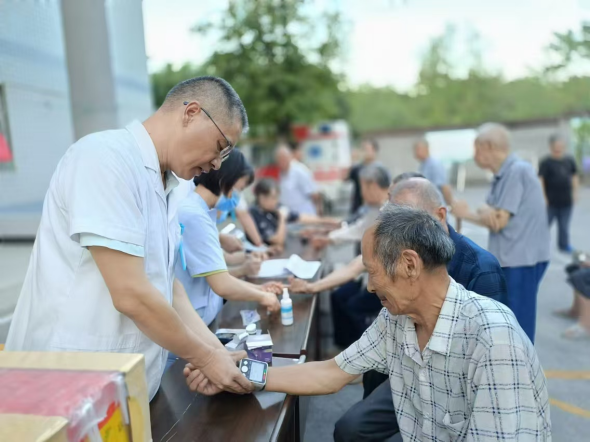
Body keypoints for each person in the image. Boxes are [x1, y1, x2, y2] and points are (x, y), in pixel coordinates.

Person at [186, 206, 552, 442]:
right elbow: (330, 373)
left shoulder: (492, 338)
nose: (371, 286)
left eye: (372, 272)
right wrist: (244, 371)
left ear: (409, 265)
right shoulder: (397, 319)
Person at [5, 76, 255, 400]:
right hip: (67, 383)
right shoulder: (105, 158)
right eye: (221, 147)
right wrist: (205, 358)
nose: (216, 164)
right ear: (191, 112)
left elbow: (169, 288)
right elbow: (131, 294)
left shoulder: (167, 185)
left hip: (121, 386)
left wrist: (216, 352)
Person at [170, 150, 281, 369]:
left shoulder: (202, 212)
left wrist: (259, 290)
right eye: (238, 189)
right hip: (191, 324)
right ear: (224, 179)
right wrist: (262, 297)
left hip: (202, 318)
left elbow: (218, 271)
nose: (237, 198)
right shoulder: (194, 215)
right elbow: (222, 284)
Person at [452, 123, 550, 344]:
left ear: (488, 146)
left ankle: (521, 376)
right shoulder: (504, 174)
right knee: (509, 321)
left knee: (518, 327)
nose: (474, 155)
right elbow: (489, 210)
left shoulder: (516, 171)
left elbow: (497, 220)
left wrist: (464, 213)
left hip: (521, 259)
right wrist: (485, 212)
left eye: (476, 148)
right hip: (514, 257)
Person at [310, 164, 391, 250]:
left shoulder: (389, 208)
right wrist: (330, 237)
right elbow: (359, 228)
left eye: (362, 188)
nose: (362, 194)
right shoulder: (378, 207)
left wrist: (328, 238)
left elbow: (359, 230)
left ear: (373, 186)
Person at [248, 178, 339, 248]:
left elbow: (301, 217)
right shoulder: (254, 213)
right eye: (273, 198)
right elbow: (277, 240)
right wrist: (282, 218)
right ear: (261, 197)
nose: (275, 201)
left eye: (277, 198)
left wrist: (327, 222)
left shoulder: (275, 208)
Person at [539, 134, 579, 253]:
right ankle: (540, 246)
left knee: (564, 226)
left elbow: (574, 176)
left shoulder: (569, 160)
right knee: (544, 225)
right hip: (550, 201)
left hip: (566, 200)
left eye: (561, 145)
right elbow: (541, 180)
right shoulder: (546, 162)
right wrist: (543, 197)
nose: (559, 147)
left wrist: (575, 192)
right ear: (551, 146)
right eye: (557, 145)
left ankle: (564, 245)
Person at [414, 138, 461, 231]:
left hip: (437, 209)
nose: (415, 152)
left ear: (426, 148)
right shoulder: (423, 165)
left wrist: (451, 205)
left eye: (417, 149)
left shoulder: (434, 165)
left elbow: (444, 186)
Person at [276, 144, 321, 215]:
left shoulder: (300, 170)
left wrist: (318, 211)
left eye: (284, 158)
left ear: (290, 157)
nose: (281, 162)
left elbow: (314, 194)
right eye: (279, 159)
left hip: (304, 213)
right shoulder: (281, 173)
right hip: (290, 214)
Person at [347, 140, 379, 214]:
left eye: (366, 149)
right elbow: (345, 178)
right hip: (357, 207)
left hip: (372, 208)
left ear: (374, 151)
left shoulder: (379, 169)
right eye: (362, 149)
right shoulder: (358, 168)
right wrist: (353, 160)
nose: (364, 152)